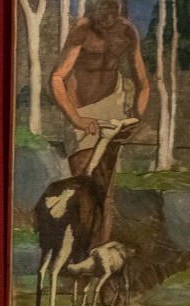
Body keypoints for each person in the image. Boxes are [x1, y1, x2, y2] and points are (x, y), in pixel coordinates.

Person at [51, 0, 149, 178]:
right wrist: (77, 120)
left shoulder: (128, 31)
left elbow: (143, 84)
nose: (109, 16)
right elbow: (57, 78)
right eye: (105, 8)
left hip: (112, 104)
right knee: (83, 176)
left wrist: (136, 118)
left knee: (104, 178)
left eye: (114, 10)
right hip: (82, 109)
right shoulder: (82, 29)